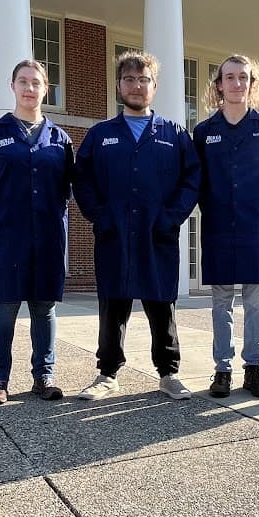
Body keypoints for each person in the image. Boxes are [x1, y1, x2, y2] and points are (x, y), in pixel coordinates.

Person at [72, 50, 201, 401]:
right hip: (114, 234)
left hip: (156, 234)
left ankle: (169, 373)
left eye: (143, 80)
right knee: (113, 304)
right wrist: (99, 216)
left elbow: (193, 178)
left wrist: (172, 217)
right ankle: (108, 373)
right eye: (129, 79)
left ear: (154, 86)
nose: (136, 86)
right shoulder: (101, 134)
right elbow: (81, 178)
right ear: (118, 85)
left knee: (161, 304)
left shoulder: (173, 133)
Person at [0, 59, 73, 405]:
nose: (30, 89)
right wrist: (5, 213)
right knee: (5, 307)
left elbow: (68, 187)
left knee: (44, 309)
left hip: (47, 236)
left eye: (36, 83)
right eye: (23, 82)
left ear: (46, 89)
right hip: (6, 236)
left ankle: (43, 378)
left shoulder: (60, 140)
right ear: (12, 86)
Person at [192, 56, 259, 398]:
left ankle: (254, 368)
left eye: (243, 77)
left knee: (256, 301)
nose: (236, 83)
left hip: (254, 226)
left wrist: (253, 207)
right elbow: (199, 182)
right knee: (221, 300)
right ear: (219, 84)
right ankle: (222, 370)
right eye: (229, 77)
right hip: (217, 225)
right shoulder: (204, 132)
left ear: (252, 84)